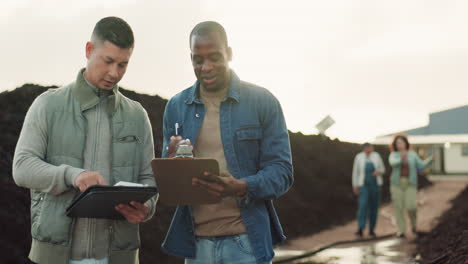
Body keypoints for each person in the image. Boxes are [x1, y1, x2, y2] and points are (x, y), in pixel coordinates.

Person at [13, 17, 157, 264]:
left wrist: (147, 209)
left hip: (117, 258)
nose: (114, 73)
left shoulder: (137, 116)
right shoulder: (48, 105)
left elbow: (148, 179)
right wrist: (73, 175)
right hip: (55, 257)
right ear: (89, 50)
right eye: (108, 61)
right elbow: (22, 167)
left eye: (123, 64)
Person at [161, 21, 293, 264]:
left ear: (229, 54)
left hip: (246, 244)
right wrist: (171, 167)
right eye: (197, 60)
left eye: (214, 57)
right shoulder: (176, 107)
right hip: (197, 245)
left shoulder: (262, 102)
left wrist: (241, 187)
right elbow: (168, 185)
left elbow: (282, 173)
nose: (206, 67)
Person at [389, 134, 432, 237]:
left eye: (401, 142)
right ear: (395, 145)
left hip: (410, 184)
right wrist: (401, 158)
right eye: (397, 143)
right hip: (397, 184)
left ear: (406, 143)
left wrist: (430, 160)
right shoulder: (394, 155)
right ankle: (401, 230)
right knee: (398, 208)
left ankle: (414, 226)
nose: (400, 144)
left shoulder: (412, 154)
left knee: (411, 206)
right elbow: (393, 163)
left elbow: (421, 165)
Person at [352, 143, 385, 238]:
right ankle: (360, 228)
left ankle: (371, 230)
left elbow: (383, 169)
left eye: (371, 147)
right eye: (368, 148)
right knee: (363, 206)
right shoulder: (359, 157)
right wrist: (355, 185)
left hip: (375, 186)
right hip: (363, 186)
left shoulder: (376, 156)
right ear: (364, 149)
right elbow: (355, 172)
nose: (370, 149)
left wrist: (378, 171)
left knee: (374, 207)